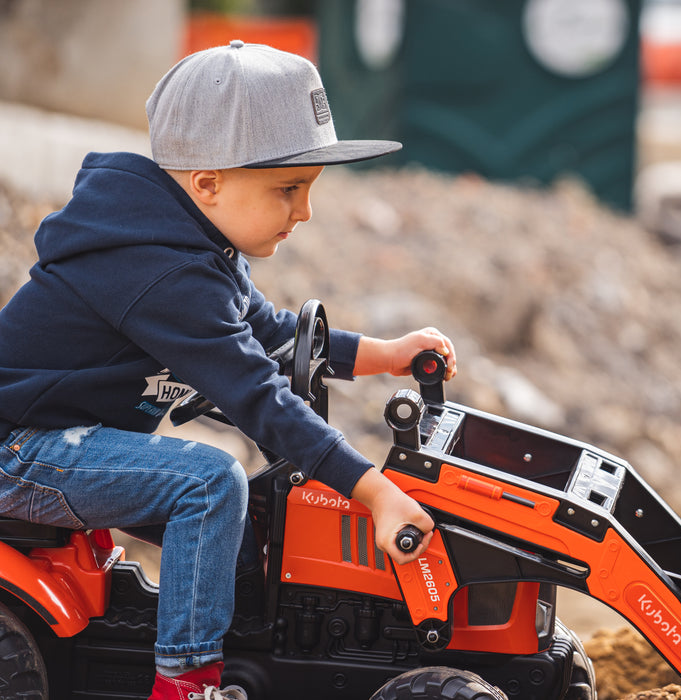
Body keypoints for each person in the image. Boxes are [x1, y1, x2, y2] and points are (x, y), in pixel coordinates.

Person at [0, 41, 452, 699]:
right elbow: (254, 391)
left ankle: (245, 651)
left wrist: (384, 354)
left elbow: (266, 334)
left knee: (248, 509)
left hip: (62, 443)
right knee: (210, 482)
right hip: (20, 451)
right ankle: (186, 683)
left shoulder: (194, 243)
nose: (303, 213)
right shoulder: (161, 271)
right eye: (288, 190)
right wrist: (375, 491)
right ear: (209, 183)